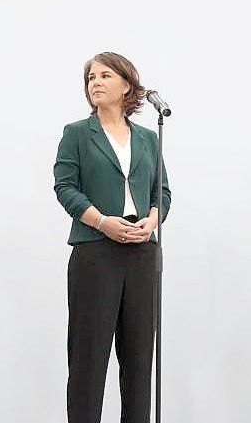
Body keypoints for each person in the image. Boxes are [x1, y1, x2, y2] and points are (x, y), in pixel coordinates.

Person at [53, 52, 170, 423]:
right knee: (89, 356)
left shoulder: (149, 138)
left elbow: (161, 191)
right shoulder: (76, 133)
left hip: (141, 252)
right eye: (91, 78)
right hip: (95, 252)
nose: (96, 83)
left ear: (126, 85)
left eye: (105, 75)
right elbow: (65, 187)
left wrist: (152, 220)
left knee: (138, 359)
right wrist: (102, 222)